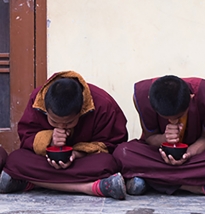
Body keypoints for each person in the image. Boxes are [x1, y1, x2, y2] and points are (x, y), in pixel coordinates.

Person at [0, 71, 128, 199]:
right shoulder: (38, 99)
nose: (61, 127)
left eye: (69, 122)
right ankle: (92, 187)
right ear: (46, 109)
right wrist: (49, 141)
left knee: (107, 163)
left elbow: (113, 144)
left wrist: (77, 154)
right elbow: (26, 134)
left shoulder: (102, 103)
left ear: (81, 110)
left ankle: (33, 182)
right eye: (54, 121)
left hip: (82, 161)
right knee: (16, 159)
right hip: (46, 161)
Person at [114, 75, 205, 197]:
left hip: (197, 153)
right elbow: (150, 137)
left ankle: (152, 182)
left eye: (178, 117)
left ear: (191, 98)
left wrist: (187, 154)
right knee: (121, 153)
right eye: (166, 118)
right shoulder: (141, 97)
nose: (173, 122)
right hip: (159, 153)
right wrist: (164, 138)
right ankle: (199, 187)